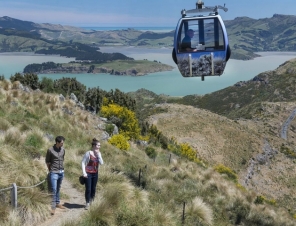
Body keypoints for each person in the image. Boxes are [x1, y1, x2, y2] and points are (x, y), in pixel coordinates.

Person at [45, 136, 66, 215]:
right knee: (53, 189)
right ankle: (53, 207)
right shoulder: (50, 150)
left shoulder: (63, 150)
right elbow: (47, 161)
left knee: (58, 188)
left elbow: (62, 159)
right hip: (54, 172)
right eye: (61, 143)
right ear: (57, 142)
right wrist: (50, 170)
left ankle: (57, 203)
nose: (62, 144)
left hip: (61, 172)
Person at [81, 138, 104, 210]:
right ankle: (87, 203)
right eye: (98, 145)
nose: (99, 147)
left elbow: (102, 163)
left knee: (93, 188)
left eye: (100, 146)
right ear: (94, 146)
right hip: (88, 173)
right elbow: (83, 162)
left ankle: (92, 201)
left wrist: (98, 156)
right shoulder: (88, 153)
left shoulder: (99, 154)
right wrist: (84, 173)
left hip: (95, 173)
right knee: (88, 189)